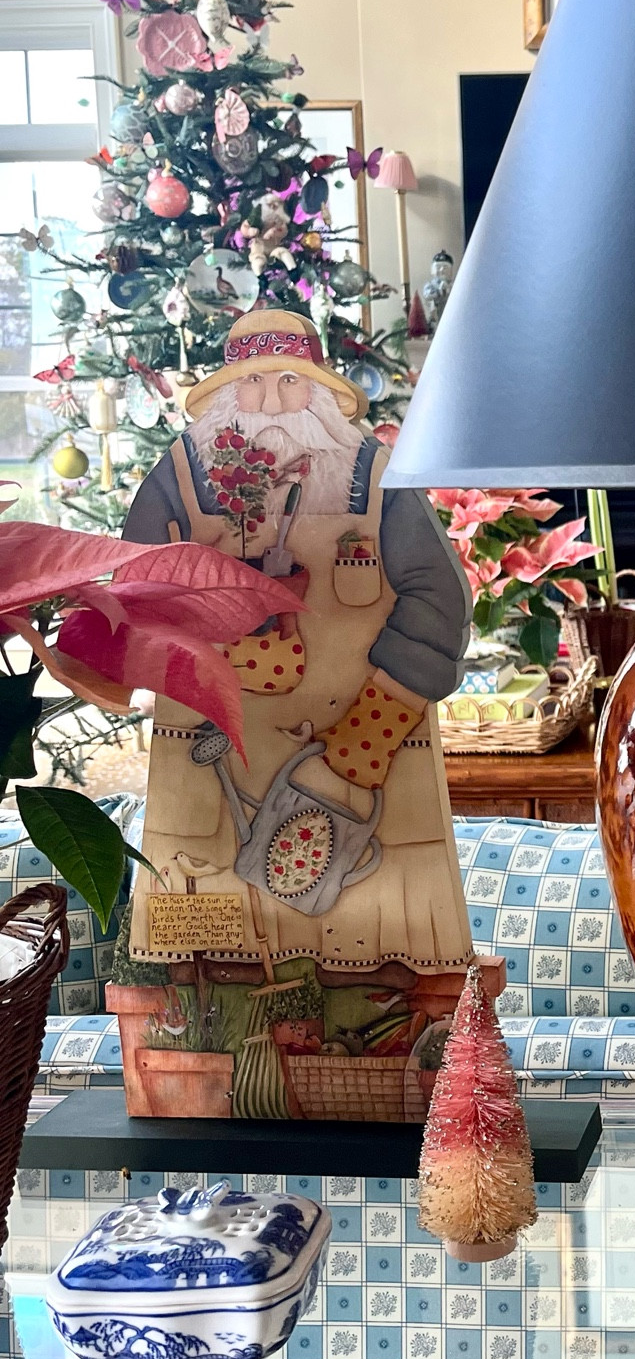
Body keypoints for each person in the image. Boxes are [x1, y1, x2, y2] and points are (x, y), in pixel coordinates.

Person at [124, 308, 474, 982]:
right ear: (227, 396)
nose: (274, 401)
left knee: (379, 959)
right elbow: (130, 590)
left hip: (365, 758)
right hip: (212, 762)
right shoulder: (178, 477)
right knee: (209, 972)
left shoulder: (377, 480)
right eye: (254, 384)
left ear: (321, 393)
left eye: (291, 380)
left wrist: (366, 740)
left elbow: (440, 601)